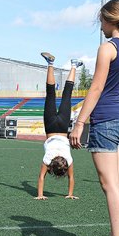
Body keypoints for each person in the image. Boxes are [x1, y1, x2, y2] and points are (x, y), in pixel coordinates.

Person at [70, 0, 119, 236]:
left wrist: (79, 124)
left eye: (101, 21)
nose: (100, 26)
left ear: (110, 20)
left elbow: (96, 89)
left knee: (110, 185)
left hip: (106, 121)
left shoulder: (107, 48)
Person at [35, 52, 83, 201]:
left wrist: (70, 193)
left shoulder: (68, 159)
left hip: (62, 127)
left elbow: (71, 177)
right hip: (50, 126)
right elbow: (41, 177)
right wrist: (40, 195)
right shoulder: (47, 159)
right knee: (50, 94)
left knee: (67, 95)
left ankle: (74, 65)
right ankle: (50, 63)